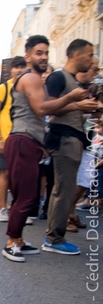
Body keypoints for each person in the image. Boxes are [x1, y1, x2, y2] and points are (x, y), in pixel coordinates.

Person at [2, 35, 95, 262]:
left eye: (46, 53)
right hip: (22, 140)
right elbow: (43, 108)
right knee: (26, 197)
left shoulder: (35, 78)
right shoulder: (32, 77)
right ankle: (11, 242)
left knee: (26, 196)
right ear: (28, 56)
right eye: (38, 53)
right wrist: (73, 99)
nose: (43, 57)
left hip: (28, 141)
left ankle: (20, 240)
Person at [43, 39, 100, 254]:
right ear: (76, 55)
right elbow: (48, 108)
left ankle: (55, 237)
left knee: (65, 191)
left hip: (74, 141)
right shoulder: (58, 77)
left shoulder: (74, 81)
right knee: (63, 191)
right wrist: (77, 103)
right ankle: (54, 239)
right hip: (63, 140)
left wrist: (89, 108)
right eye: (89, 54)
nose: (92, 59)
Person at [0, 56, 27, 221]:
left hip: (23, 139)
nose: (19, 70)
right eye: (16, 67)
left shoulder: (28, 88)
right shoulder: (3, 88)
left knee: (21, 175)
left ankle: (18, 209)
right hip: (5, 140)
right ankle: (3, 208)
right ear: (11, 70)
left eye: (22, 67)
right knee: (4, 173)